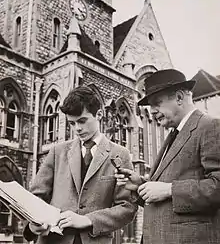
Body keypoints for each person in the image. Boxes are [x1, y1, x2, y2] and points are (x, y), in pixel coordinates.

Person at [115, 69, 220, 244]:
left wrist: (169, 189)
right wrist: (139, 186)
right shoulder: (173, 135)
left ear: (179, 97)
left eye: (157, 103)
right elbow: (164, 201)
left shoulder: (210, 127)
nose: (153, 111)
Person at [23, 86, 137, 244]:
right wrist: (34, 224)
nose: (77, 128)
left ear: (99, 115)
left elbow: (127, 208)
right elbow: (35, 198)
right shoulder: (57, 152)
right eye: (72, 123)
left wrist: (88, 220)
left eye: (82, 121)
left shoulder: (120, 154)